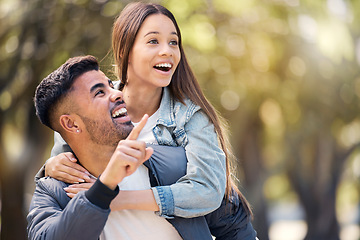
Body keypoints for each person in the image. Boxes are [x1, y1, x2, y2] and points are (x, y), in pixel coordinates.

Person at [39, 2, 257, 239]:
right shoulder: (88, 107)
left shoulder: (190, 117)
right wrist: (49, 167)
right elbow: (62, 174)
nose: (167, 51)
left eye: (173, 42)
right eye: (153, 41)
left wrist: (118, 199)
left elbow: (207, 191)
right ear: (124, 51)